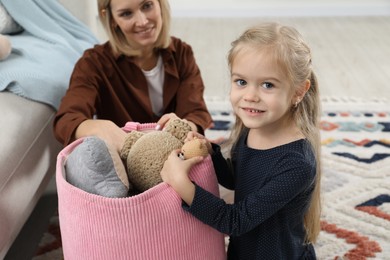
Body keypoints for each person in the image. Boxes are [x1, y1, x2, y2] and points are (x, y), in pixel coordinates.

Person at [160, 22, 322, 259]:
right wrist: (210, 151)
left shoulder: (297, 164)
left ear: (299, 91)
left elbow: (234, 221)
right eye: (241, 82)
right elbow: (237, 179)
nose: (250, 96)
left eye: (268, 85)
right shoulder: (253, 129)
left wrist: (180, 182)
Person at [53, 0, 212, 152]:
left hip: (177, 154)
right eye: (126, 14)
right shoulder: (93, 63)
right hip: (124, 160)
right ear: (110, 18)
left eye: (147, 5)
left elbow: (196, 113)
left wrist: (185, 128)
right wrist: (99, 127)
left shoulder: (182, 53)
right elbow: (67, 119)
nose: (142, 21)